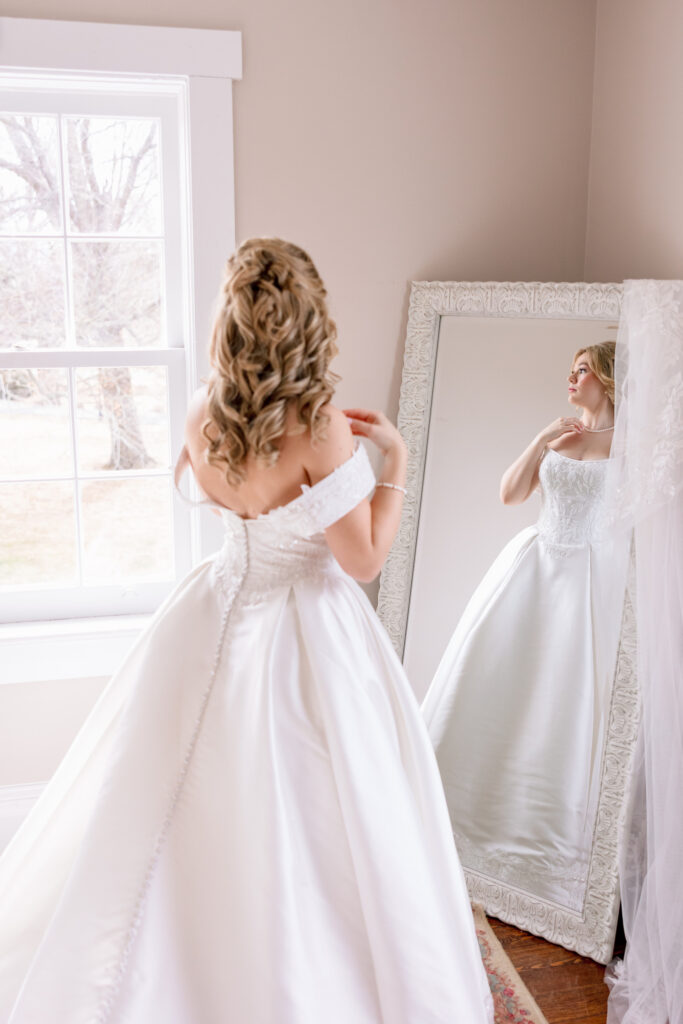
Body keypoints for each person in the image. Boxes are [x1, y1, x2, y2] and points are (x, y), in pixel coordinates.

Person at [0, 238, 493, 1024]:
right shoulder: (319, 426)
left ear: (227, 322)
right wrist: (395, 460)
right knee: (312, 817)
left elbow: (208, 491)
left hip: (216, 604)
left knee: (175, 797)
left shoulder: (203, 411)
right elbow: (363, 559)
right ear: (309, 320)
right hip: (307, 631)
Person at [422, 342, 621, 911]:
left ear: (607, 379)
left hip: (585, 583)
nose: (571, 378)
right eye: (571, 369)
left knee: (560, 703)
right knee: (498, 685)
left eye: (582, 370)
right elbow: (510, 493)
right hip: (532, 570)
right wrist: (539, 439)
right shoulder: (559, 436)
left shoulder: (628, 448)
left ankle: (540, 845)